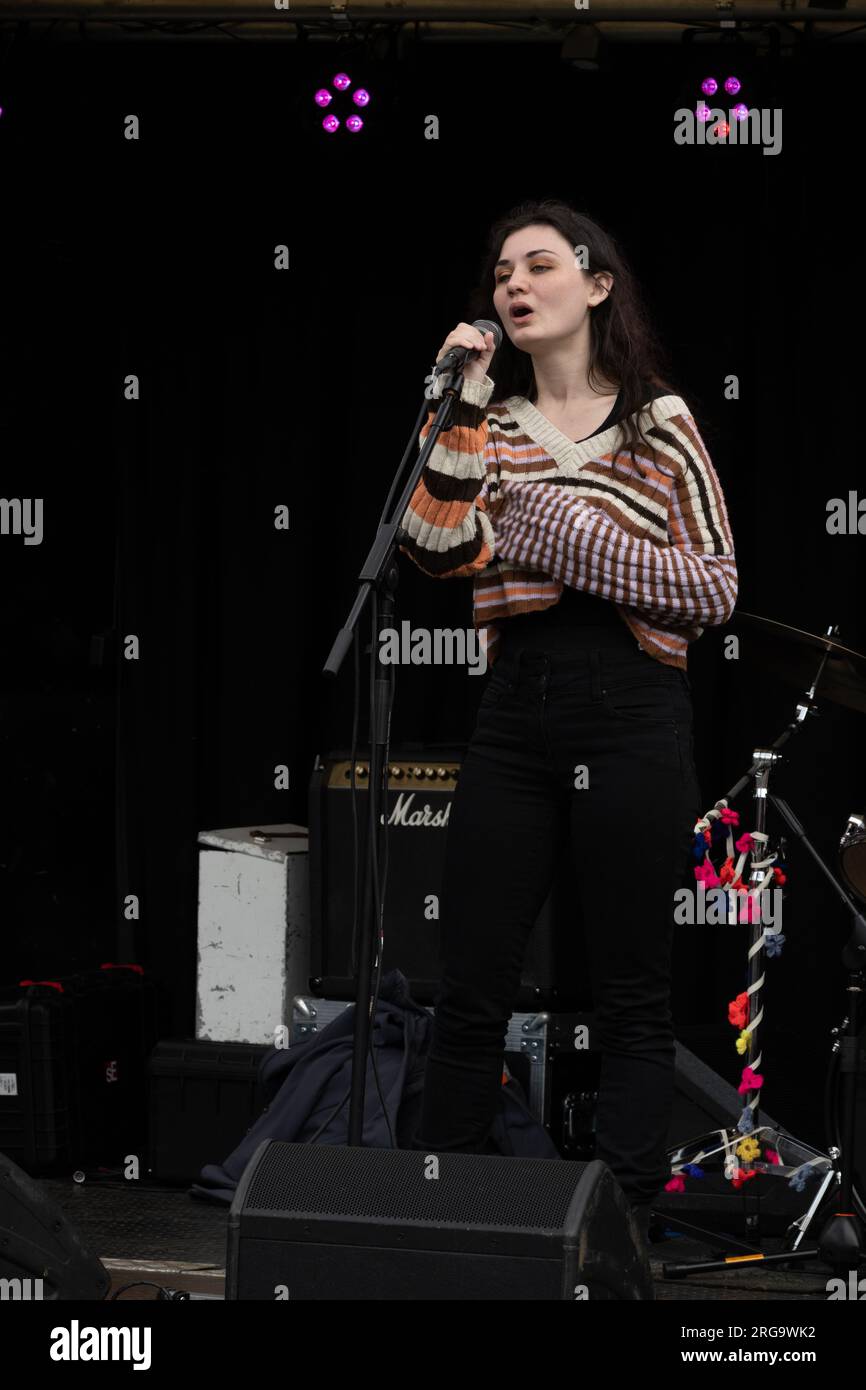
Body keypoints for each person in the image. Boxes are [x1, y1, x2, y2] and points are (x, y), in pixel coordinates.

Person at [398, 199, 737, 1239]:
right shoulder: (480, 421)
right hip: (516, 708)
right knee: (471, 981)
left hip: (632, 709)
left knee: (631, 987)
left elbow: (714, 586)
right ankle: (444, 1217)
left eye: (538, 264)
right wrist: (455, 393)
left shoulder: (659, 421)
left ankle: (621, 1228)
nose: (513, 284)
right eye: (500, 271)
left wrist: (568, 542)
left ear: (595, 287)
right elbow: (431, 546)